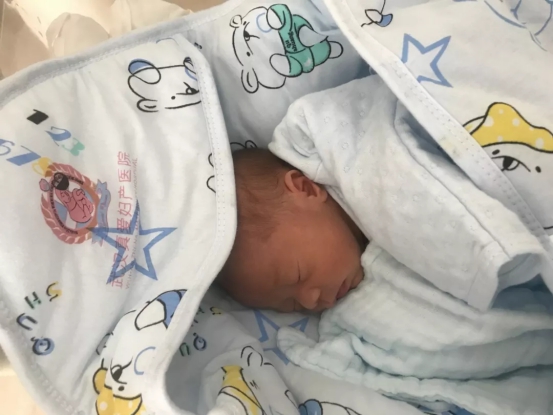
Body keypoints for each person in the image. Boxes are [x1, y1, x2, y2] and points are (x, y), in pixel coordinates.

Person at [218, 148, 367, 312]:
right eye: (292, 304)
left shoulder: (368, 178)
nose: (310, 301)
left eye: (299, 275)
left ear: (306, 189)